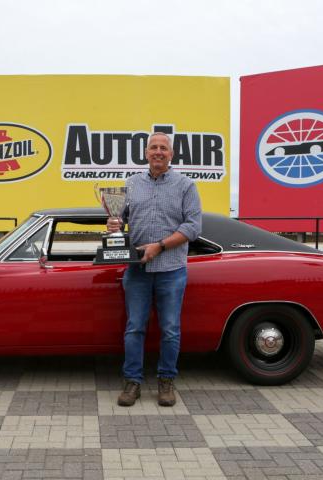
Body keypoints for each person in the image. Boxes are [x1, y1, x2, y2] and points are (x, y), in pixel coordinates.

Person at [107, 132, 202, 407]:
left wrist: (159, 246)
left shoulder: (186, 185)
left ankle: (166, 381)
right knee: (134, 328)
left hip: (171, 269)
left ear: (171, 154)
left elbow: (193, 227)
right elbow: (120, 220)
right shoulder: (131, 184)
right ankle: (132, 381)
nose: (158, 152)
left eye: (163, 148)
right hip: (137, 270)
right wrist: (113, 224)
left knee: (170, 329)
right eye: (153, 148)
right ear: (146, 153)